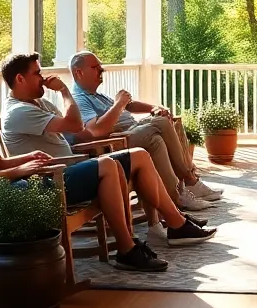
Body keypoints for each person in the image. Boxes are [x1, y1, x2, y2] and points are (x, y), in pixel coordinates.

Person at [0, 53, 216, 270]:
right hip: (53, 181)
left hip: (70, 167)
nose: (43, 77)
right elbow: (76, 125)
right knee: (108, 165)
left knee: (139, 154)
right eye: (37, 73)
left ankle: (176, 224)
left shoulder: (39, 103)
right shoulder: (19, 112)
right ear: (20, 79)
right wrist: (65, 91)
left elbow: (74, 126)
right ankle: (127, 248)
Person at [68, 51, 224, 211]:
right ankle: (190, 180)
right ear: (78, 72)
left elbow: (130, 104)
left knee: (159, 135)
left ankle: (178, 195)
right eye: (96, 68)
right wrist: (119, 104)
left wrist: (154, 108)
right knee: (161, 123)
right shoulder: (79, 99)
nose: (102, 71)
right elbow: (95, 130)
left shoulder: (97, 95)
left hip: (132, 133)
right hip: (116, 143)